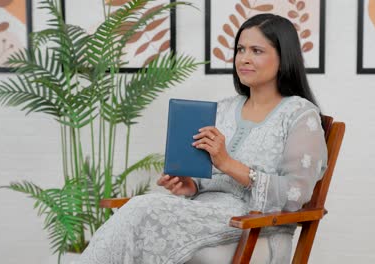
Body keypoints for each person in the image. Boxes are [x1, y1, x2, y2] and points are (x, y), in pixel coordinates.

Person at [78, 13, 328, 264]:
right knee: (141, 208)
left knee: (143, 209)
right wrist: (192, 185)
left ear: (284, 57)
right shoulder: (223, 109)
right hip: (204, 214)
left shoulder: (300, 115)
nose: (244, 59)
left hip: (254, 227)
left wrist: (228, 163)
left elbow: (295, 195)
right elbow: (209, 177)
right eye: (240, 49)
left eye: (256, 51)